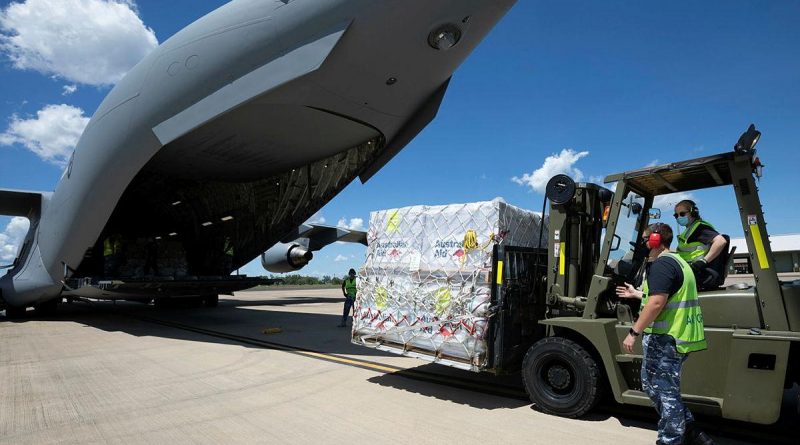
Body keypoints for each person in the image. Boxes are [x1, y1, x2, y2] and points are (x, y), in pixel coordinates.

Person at [617, 223, 714, 445]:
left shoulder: (662, 264)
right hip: (675, 337)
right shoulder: (679, 261)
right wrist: (638, 294)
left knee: (665, 392)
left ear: (655, 240)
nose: (642, 243)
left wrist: (633, 332)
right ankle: (691, 430)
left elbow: (657, 303)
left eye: (644, 239)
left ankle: (670, 440)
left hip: (667, 338)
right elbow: (663, 294)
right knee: (653, 386)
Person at [673, 200, 728, 291]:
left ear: (693, 213)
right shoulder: (689, 230)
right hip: (690, 270)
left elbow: (721, 241)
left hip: (698, 273)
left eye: (682, 214)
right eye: (676, 215)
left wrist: (703, 262)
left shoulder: (699, 227)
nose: (679, 217)